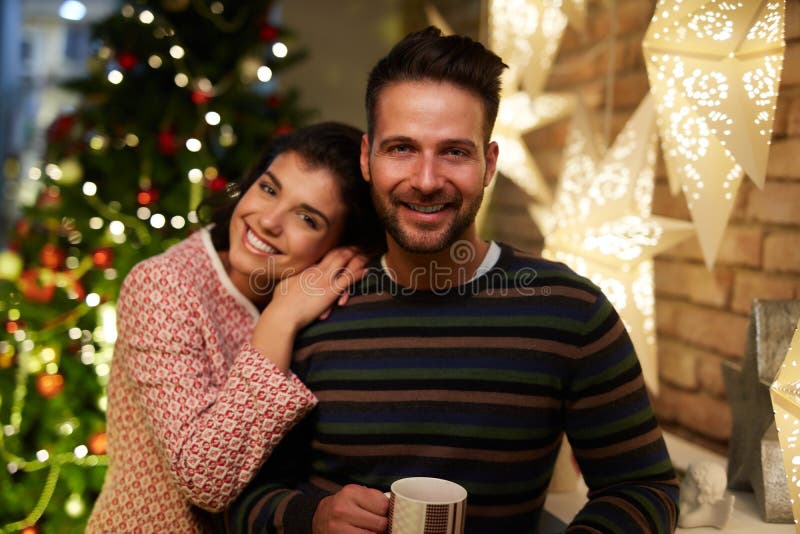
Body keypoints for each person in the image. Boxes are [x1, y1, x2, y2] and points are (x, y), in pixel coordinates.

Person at [221, 27, 680, 533]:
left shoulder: (569, 310)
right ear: (366, 158)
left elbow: (643, 488)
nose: (425, 180)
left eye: (455, 152)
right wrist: (314, 516)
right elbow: (239, 498)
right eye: (401, 149)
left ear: (489, 164)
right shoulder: (312, 309)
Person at [87, 122, 385, 533]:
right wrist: (279, 319)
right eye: (268, 188)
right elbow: (205, 481)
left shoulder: (323, 303)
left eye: (307, 218)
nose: (269, 221)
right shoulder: (164, 286)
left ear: (337, 249)